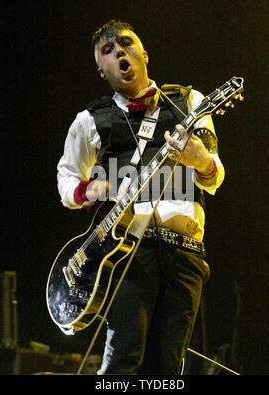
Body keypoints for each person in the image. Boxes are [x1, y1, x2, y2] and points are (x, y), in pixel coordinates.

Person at [57, 20, 225, 375]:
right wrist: (94, 188)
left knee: (167, 369)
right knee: (123, 360)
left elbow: (215, 178)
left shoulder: (189, 102)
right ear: (102, 70)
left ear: (143, 54)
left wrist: (199, 160)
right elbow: (67, 177)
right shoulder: (91, 119)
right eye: (107, 49)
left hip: (185, 252)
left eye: (126, 43)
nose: (119, 50)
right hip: (126, 253)